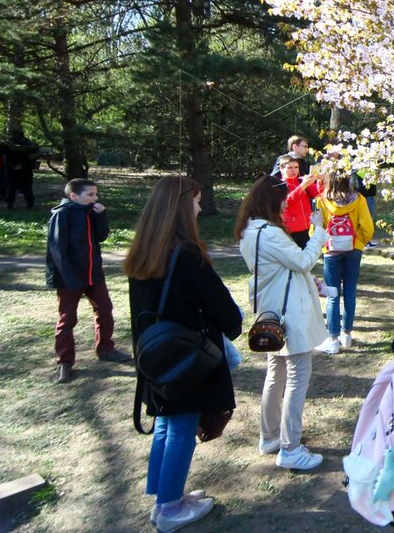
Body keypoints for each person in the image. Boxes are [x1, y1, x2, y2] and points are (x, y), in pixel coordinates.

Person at [125, 176, 242, 533]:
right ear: (179, 208)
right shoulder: (187, 256)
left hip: (156, 355)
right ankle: (171, 507)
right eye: (194, 201)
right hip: (186, 358)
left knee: (166, 422)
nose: (199, 207)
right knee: (179, 427)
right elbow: (226, 314)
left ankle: (164, 499)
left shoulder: (143, 250)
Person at [236, 175, 330, 471]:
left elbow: (283, 268)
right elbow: (302, 261)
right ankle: (290, 447)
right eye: (283, 200)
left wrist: (306, 278)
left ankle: (270, 436)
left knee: (275, 374)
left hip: (271, 310)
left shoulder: (248, 231)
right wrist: (319, 233)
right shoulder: (269, 232)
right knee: (297, 376)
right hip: (289, 313)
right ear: (270, 201)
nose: (285, 205)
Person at [46, 178, 131, 384]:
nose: (95, 198)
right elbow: (57, 251)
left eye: (96, 194)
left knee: (105, 309)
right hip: (69, 278)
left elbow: (101, 237)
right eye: (90, 195)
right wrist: (70, 279)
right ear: (74, 196)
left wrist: (102, 215)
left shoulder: (91, 212)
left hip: (94, 274)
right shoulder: (62, 215)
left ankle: (105, 349)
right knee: (67, 319)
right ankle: (64, 362)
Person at [315, 170, 375, 353]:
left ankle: (332, 338)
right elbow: (367, 227)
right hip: (353, 248)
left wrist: (322, 245)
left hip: (331, 250)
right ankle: (347, 334)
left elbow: (316, 226)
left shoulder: (322, 200)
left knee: (333, 293)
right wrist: (359, 243)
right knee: (350, 291)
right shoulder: (359, 199)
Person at [276, 154, 321, 247]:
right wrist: (303, 186)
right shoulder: (279, 185)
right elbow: (287, 202)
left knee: (308, 259)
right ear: (281, 169)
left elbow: (318, 194)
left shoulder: (301, 181)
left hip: (307, 228)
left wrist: (321, 180)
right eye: (290, 168)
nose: (294, 170)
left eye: (296, 167)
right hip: (290, 231)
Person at [3, 129, 39, 209]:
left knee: (27, 188)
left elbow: (33, 156)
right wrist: (12, 166)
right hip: (12, 169)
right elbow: (6, 156)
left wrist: (22, 165)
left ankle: (30, 204)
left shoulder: (29, 144)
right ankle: (10, 204)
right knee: (11, 188)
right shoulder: (9, 144)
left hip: (25, 169)